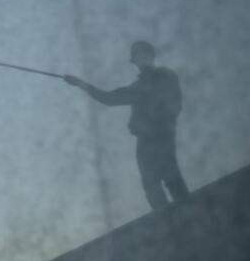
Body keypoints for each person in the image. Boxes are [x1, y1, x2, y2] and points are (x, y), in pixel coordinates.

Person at [64, 41, 189, 210]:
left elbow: (175, 103)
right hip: (144, 139)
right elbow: (108, 98)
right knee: (150, 184)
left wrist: (161, 122)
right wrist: (80, 83)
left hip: (162, 134)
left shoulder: (165, 75)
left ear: (152, 55)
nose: (141, 58)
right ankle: (165, 220)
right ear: (134, 61)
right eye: (138, 55)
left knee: (171, 176)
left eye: (144, 53)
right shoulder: (135, 87)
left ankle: (189, 211)